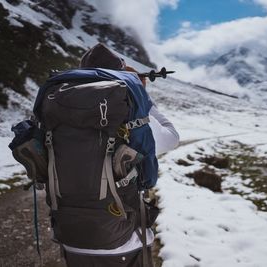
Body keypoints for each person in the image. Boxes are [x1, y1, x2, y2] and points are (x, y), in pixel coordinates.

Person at [59, 43, 180, 266]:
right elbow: (171, 138)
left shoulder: (59, 103)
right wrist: (141, 97)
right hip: (124, 241)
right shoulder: (126, 103)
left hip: (70, 236)